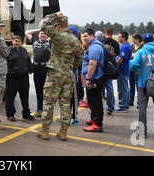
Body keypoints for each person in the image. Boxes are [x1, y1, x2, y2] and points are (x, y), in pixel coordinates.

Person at [36, 12, 83, 141]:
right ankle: (63, 132)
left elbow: (43, 25)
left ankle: (45, 131)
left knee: (48, 102)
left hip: (55, 74)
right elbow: (79, 60)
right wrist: (69, 66)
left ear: (58, 25)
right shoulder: (76, 41)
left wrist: (54, 15)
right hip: (68, 75)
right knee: (66, 103)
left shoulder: (58, 36)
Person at [82, 29, 106, 132]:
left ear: (92, 36)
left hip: (94, 78)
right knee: (92, 101)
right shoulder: (93, 45)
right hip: (94, 78)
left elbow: (92, 64)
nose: (84, 38)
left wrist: (88, 78)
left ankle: (97, 124)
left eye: (86, 36)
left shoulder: (95, 47)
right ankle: (94, 119)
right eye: (83, 36)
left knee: (95, 101)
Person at [5, 35, 35, 121]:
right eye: (15, 41)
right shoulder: (8, 50)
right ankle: (10, 114)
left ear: (21, 43)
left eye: (19, 41)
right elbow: (5, 63)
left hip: (24, 78)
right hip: (12, 78)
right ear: (12, 42)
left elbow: (28, 61)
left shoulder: (24, 50)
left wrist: (30, 69)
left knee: (25, 97)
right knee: (10, 97)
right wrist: (9, 72)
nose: (17, 42)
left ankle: (26, 114)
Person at [25, 29, 51, 117]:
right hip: (36, 72)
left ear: (48, 36)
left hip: (46, 72)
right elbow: (27, 32)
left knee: (46, 94)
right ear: (38, 34)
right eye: (41, 33)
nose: (43, 35)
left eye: (45, 33)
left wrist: (48, 29)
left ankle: (46, 112)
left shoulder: (50, 43)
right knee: (39, 92)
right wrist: (40, 29)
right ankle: (39, 111)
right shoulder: (34, 42)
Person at [114, 31, 132, 112]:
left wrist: (113, 65)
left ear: (124, 38)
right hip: (125, 69)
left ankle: (122, 106)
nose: (118, 38)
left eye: (119, 36)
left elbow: (120, 60)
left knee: (122, 88)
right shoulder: (126, 46)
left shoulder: (125, 47)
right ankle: (126, 104)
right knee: (125, 88)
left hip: (122, 70)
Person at [102, 27, 119, 115]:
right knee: (109, 87)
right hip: (111, 66)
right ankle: (110, 107)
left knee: (100, 87)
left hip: (102, 66)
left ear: (105, 32)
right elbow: (117, 55)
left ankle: (99, 107)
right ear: (112, 33)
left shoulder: (101, 42)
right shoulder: (116, 43)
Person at [130, 33, 144, 107]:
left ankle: (139, 102)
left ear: (137, 39)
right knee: (131, 85)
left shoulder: (142, 46)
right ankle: (130, 101)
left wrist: (133, 55)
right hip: (131, 67)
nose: (132, 40)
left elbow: (140, 56)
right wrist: (133, 54)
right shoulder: (132, 45)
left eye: (133, 38)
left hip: (138, 68)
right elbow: (129, 54)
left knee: (138, 86)